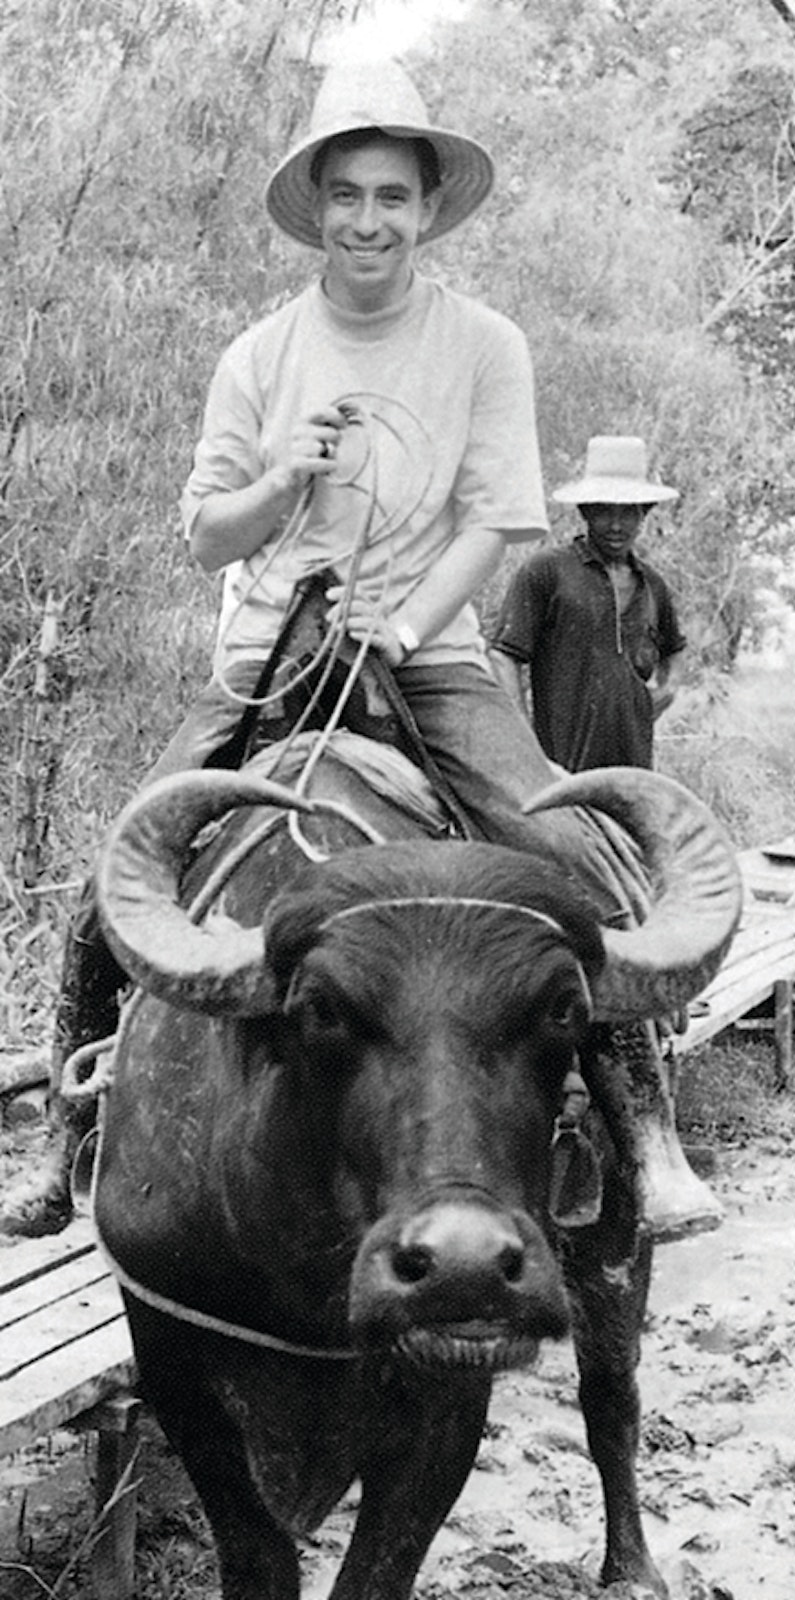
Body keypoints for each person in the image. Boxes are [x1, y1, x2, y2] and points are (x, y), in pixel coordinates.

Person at [0, 61, 717, 1240]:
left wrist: (409, 621)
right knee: (113, 881)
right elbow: (203, 533)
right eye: (348, 195)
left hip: (426, 649)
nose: (369, 220)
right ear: (316, 208)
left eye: (393, 195)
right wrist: (287, 479)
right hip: (272, 648)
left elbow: (496, 517)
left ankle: (643, 1130)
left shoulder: (484, 343)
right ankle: (69, 1133)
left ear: (428, 209)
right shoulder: (259, 354)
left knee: (558, 842)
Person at [491, 435, 686, 772]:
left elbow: (675, 649)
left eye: (627, 512)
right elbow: (503, 655)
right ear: (586, 510)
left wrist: (667, 691)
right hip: (559, 770)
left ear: (644, 513)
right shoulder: (547, 571)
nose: (615, 525)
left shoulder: (652, 585)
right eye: (604, 511)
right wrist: (526, 742)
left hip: (634, 771)